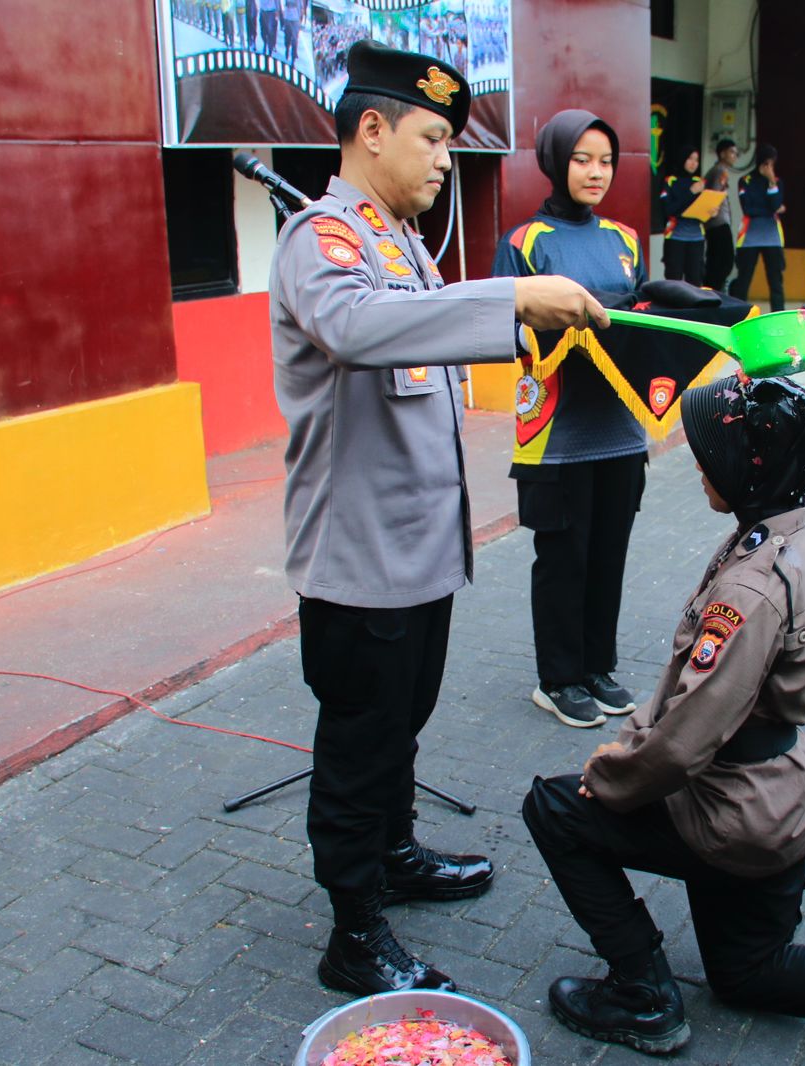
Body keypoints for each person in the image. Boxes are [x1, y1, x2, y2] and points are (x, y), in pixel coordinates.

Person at [523, 375, 805, 1064]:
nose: (701, 464)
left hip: (731, 808)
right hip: (779, 799)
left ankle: (643, 996)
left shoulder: (749, 585)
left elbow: (684, 740)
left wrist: (610, 776)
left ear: (750, 470)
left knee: (557, 809)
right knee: (748, 975)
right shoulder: (791, 535)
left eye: (713, 453)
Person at [270, 40, 608, 997]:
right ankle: (352, 927)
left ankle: (395, 851)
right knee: (358, 740)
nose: (441, 162)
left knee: (403, 723)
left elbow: (433, 359)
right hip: (359, 556)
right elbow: (360, 329)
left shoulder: (407, 244)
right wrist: (511, 294)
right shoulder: (324, 241)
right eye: (429, 139)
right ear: (370, 132)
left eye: (450, 144)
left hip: (421, 553)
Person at [491, 110, 649, 730]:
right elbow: (504, 328)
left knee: (608, 553)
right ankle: (557, 679)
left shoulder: (626, 238)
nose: (596, 171)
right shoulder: (525, 241)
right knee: (563, 558)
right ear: (556, 160)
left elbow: (635, 321)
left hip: (621, 426)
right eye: (582, 158)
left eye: (606, 160)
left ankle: (596, 667)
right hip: (556, 431)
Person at [729, 143, 786, 312]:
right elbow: (748, 208)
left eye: (772, 164)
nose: (769, 167)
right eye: (766, 163)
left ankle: (778, 314)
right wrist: (770, 210)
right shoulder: (745, 181)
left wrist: (770, 181)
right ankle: (738, 314)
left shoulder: (776, 182)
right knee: (744, 279)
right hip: (749, 238)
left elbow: (775, 204)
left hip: (772, 237)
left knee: (775, 280)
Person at [657, 146, 708, 285]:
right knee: (674, 280)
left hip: (697, 237)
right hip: (675, 236)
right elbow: (669, 209)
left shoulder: (700, 182)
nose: (693, 163)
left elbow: (702, 209)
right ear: (682, 159)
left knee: (695, 280)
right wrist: (691, 192)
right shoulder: (670, 181)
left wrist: (710, 211)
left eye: (696, 160)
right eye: (690, 159)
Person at [703, 138, 738, 291]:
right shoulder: (720, 171)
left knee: (715, 260)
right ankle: (715, 292)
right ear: (722, 153)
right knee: (724, 261)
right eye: (731, 152)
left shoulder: (715, 170)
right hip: (718, 222)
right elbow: (715, 194)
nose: (734, 156)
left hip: (713, 223)